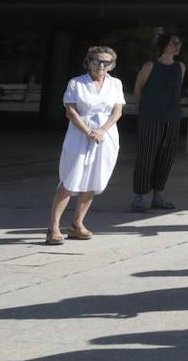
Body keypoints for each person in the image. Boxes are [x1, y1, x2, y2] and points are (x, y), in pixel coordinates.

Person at [46, 46, 126, 245]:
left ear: (112, 65)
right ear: (88, 62)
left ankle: (77, 224)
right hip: (80, 134)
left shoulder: (115, 84)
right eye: (97, 61)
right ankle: (53, 227)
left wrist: (102, 130)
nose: (101, 65)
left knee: (94, 179)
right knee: (70, 179)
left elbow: (117, 111)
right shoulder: (76, 83)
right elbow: (71, 112)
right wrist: (89, 131)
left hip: (105, 136)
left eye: (106, 62)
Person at [131, 33, 186, 212]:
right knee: (146, 155)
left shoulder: (180, 67)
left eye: (179, 43)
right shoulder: (150, 66)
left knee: (166, 157)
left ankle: (158, 195)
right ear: (164, 45)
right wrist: (146, 110)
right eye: (173, 42)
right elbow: (138, 89)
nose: (177, 45)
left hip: (172, 118)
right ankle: (139, 197)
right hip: (151, 117)